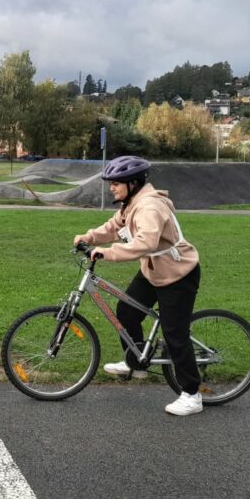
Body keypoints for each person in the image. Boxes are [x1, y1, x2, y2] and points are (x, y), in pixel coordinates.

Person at [72, 156, 203, 416]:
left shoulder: (150, 207)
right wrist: (89, 237)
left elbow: (145, 243)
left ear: (133, 183)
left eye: (116, 183)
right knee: (127, 311)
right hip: (153, 271)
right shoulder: (131, 204)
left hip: (178, 274)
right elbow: (114, 227)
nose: (111, 187)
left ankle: (192, 394)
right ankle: (136, 361)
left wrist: (107, 252)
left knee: (174, 334)